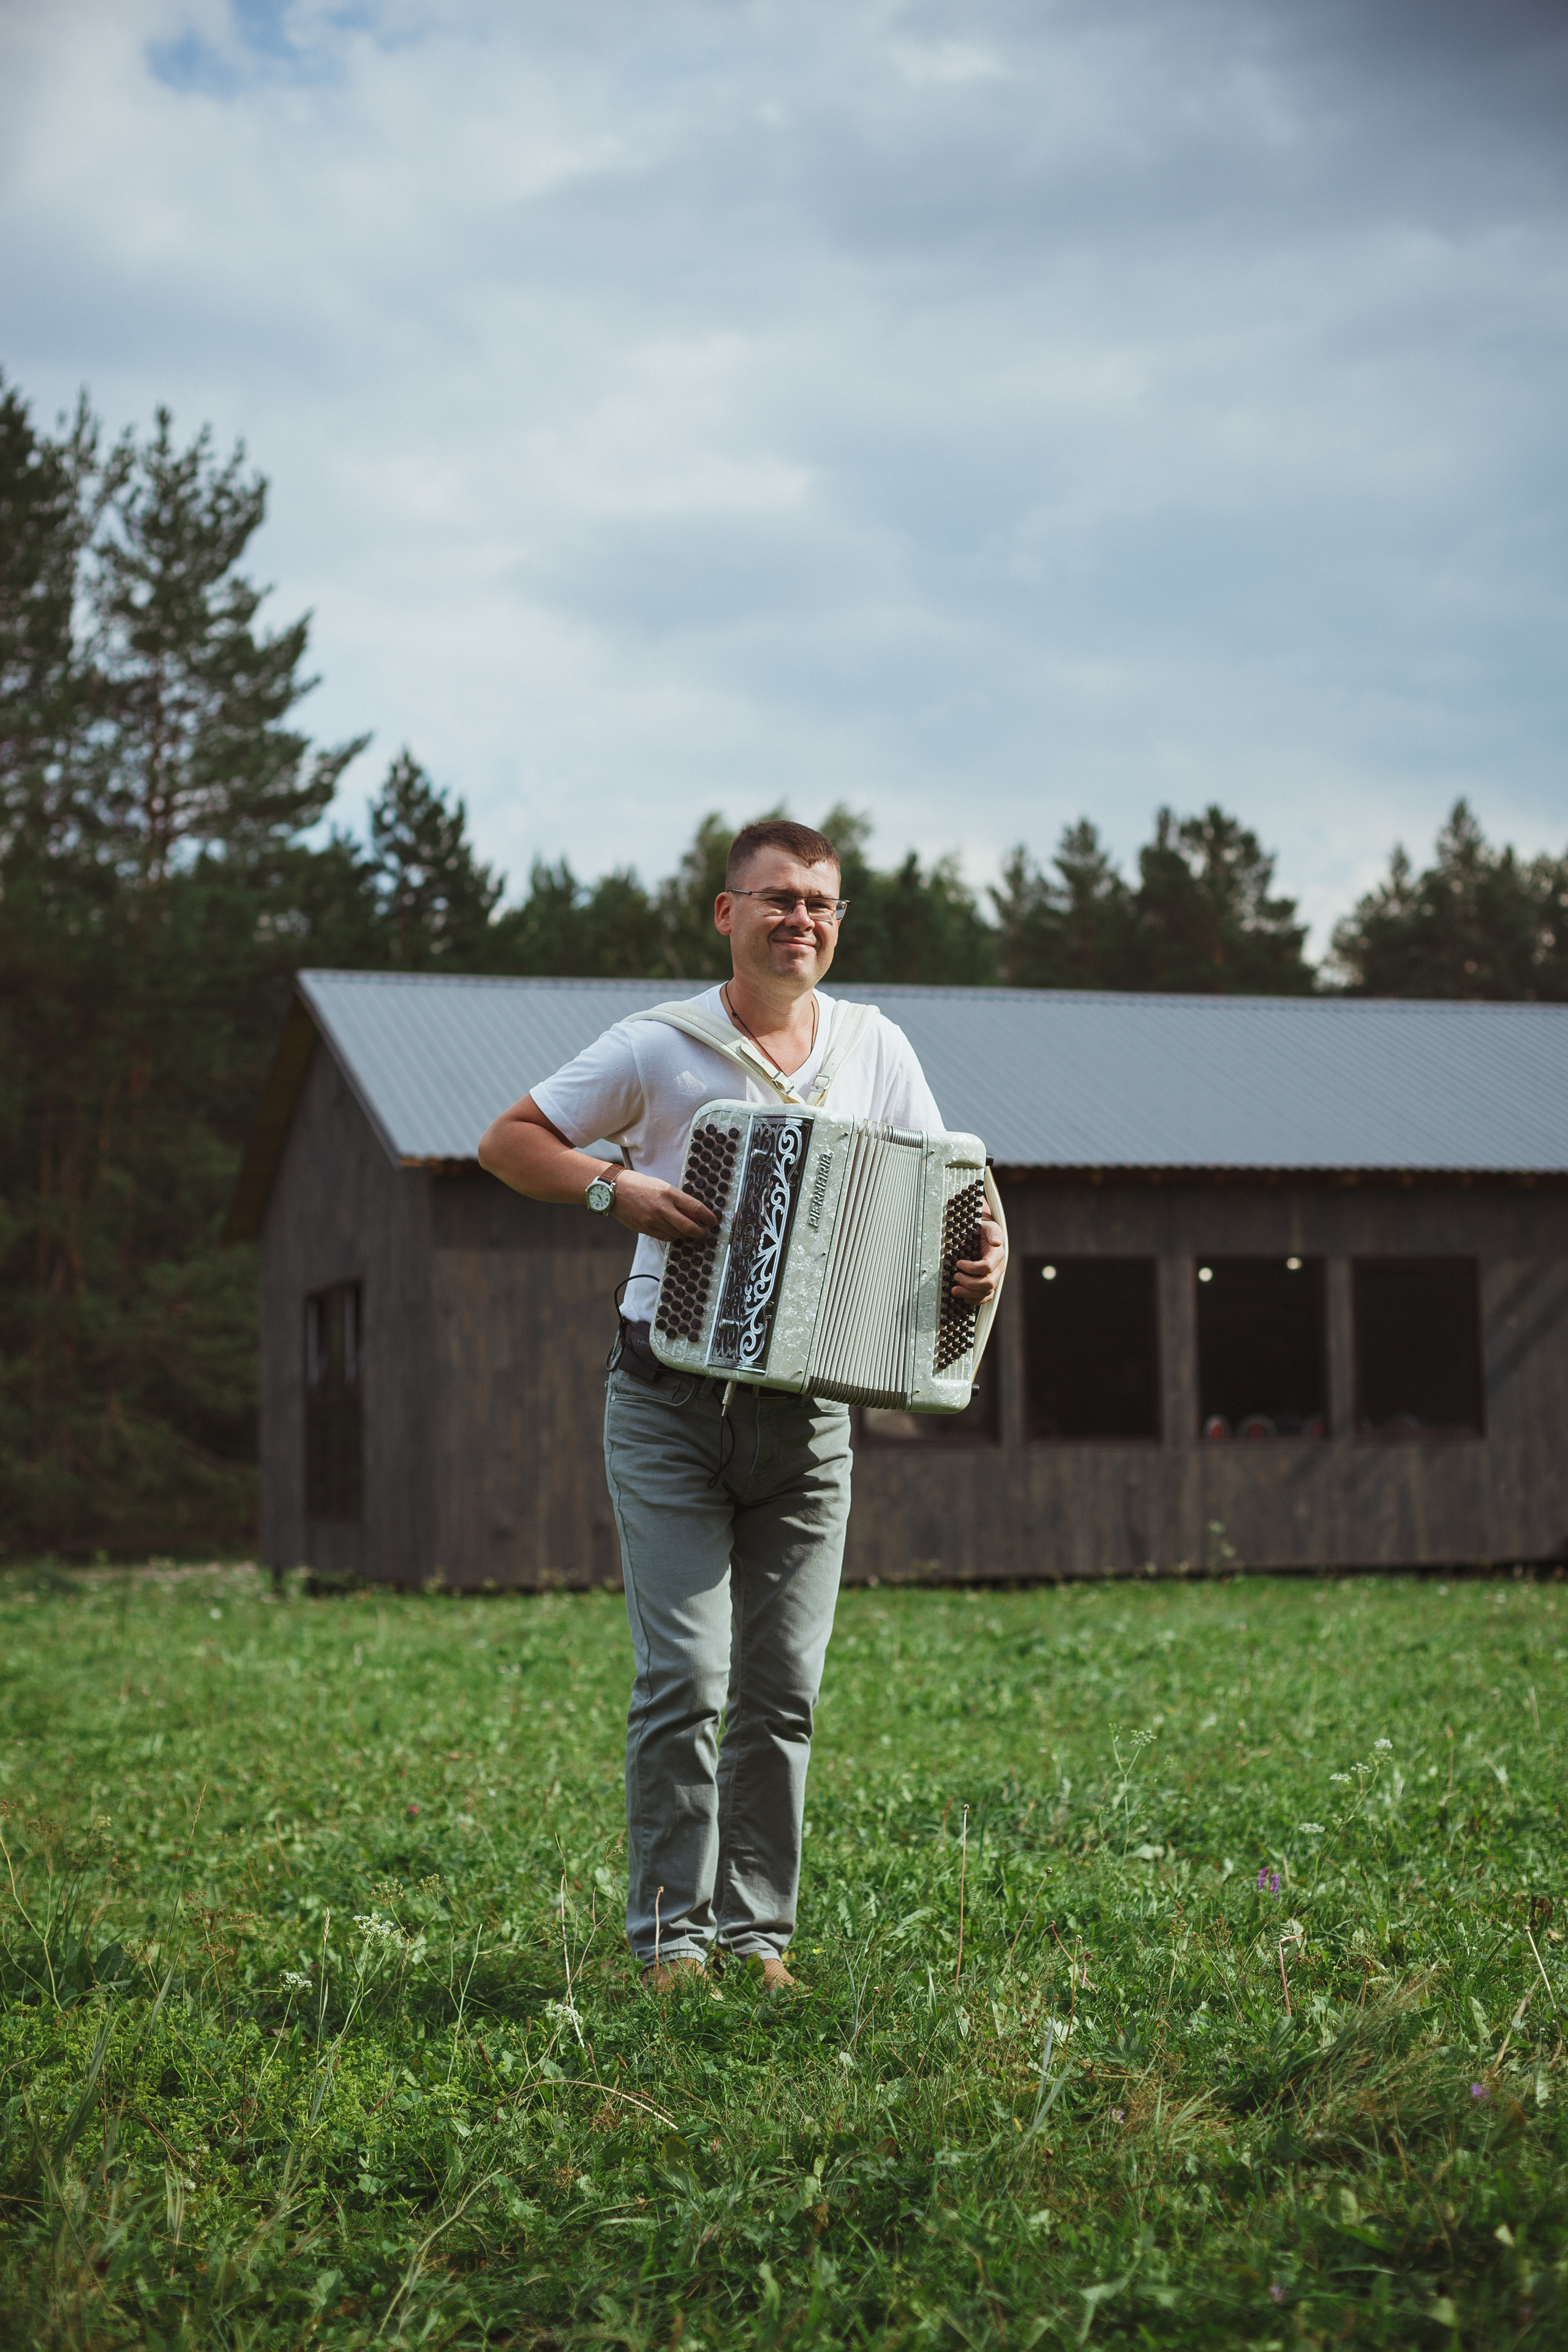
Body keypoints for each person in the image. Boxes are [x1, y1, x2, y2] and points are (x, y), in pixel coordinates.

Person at [477, 820, 1005, 1991]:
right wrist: (617, 1191)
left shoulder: (875, 1047)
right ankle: (671, 1945)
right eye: (775, 899)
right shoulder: (659, 1046)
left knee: (783, 1690)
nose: (799, 920)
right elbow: (507, 1142)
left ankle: (758, 1940)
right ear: (729, 914)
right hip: (667, 1403)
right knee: (688, 1679)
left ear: (837, 920)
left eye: (819, 902)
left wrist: (979, 1255)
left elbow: (955, 1187)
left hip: (812, 1418)